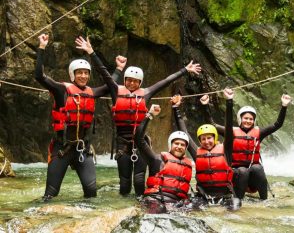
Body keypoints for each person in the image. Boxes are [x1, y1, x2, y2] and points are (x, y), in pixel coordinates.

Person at [35, 34, 126, 201]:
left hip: (83, 149)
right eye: (79, 73)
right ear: (72, 75)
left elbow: (110, 84)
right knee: (50, 194)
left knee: (91, 193)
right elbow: (39, 76)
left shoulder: (92, 93)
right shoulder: (61, 90)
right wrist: (41, 47)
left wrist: (117, 68)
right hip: (62, 149)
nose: (83, 76)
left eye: (86, 73)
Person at [97, 53, 201, 197]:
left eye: (136, 81)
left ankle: (141, 207)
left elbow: (165, 81)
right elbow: (105, 74)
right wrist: (92, 52)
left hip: (141, 143)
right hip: (122, 145)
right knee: (125, 183)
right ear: (125, 80)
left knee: (139, 181)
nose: (132, 84)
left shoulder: (146, 93)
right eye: (129, 81)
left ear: (140, 83)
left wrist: (185, 70)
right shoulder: (116, 91)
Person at [200, 93, 292, 200]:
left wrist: (284, 106)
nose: (248, 121)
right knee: (243, 170)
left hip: (252, 175)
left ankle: (264, 200)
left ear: (254, 121)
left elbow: (277, 124)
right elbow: (212, 125)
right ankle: (238, 201)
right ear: (240, 119)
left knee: (257, 168)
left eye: (250, 119)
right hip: (235, 175)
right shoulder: (231, 132)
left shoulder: (259, 132)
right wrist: (204, 105)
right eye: (245, 118)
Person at [172, 89, 239, 209]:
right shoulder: (197, 152)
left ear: (215, 138)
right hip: (204, 197)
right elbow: (184, 132)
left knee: (235, 210)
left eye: (209, 138)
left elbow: (229, 129)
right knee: (189, 209)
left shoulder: (226, 150)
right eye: (203, 139)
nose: (206, 141)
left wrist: (229, 101)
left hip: (226, 197)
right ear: (199, 141)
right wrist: (175, 108)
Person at [133, 104, 193, 213]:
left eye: (182, 145)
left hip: (176, 203)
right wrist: (150, 115)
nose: (179, 147)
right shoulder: (156, 160)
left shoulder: (188, 164)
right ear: (170, 144)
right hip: (155, 200)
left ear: (185, 148)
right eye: (176, 143)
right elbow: (138, 138)